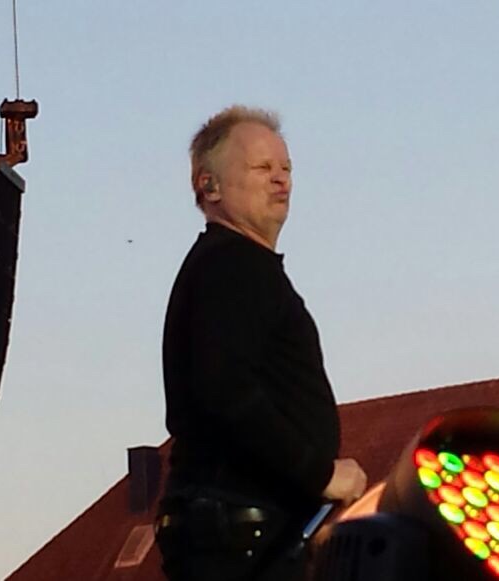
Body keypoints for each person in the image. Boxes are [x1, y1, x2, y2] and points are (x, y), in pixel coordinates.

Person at [156, 105, 367, 581]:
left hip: (240, 529)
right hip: (241, 535)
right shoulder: (233, 266)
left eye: (286, 168)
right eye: (261, 167)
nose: (280, 180)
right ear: (209, 186)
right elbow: (225, 391)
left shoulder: (228, 266)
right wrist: (320, 473)